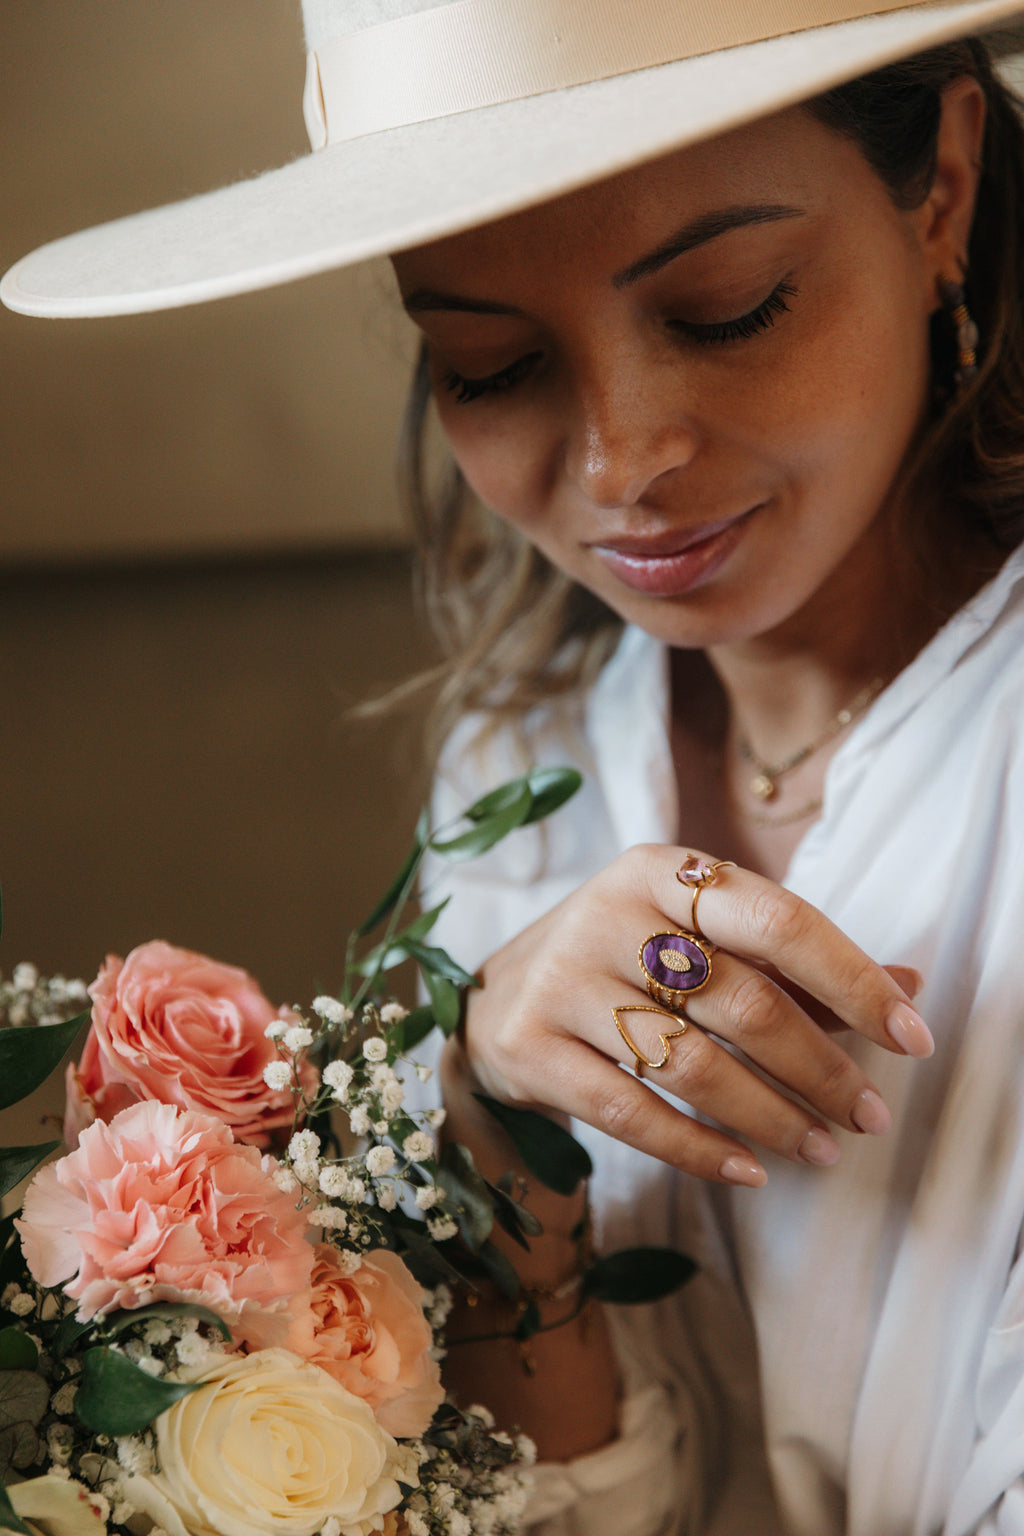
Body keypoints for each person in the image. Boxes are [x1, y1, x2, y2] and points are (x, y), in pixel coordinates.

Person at [6, 3, 1024, 1533]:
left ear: (938, 187)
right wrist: (492, 1145)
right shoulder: (525, 752)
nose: (620, 461)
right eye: (488, 363)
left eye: (730, 307)